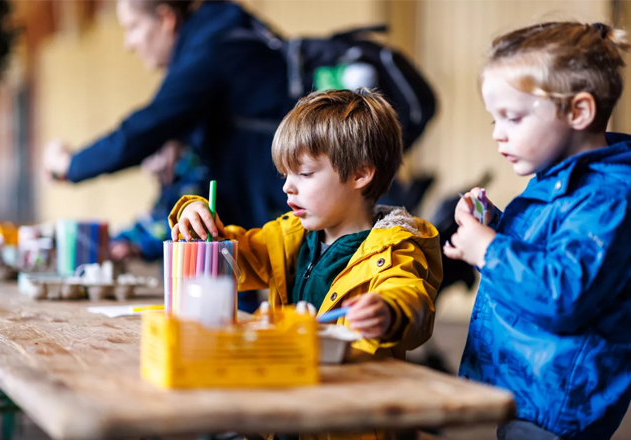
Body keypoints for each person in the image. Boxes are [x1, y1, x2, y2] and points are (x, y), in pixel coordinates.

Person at [444, 22, 631, 440]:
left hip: (557, 407)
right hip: (526, 390)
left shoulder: (609, 198)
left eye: (512, 117)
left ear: (578, 112)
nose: (497, 133)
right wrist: (492, 224)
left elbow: (562, 294)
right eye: (494, 118)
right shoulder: (558, 177)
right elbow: (546, 249)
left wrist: (487, 249)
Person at [170, 89, 442, 359]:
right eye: (285, 174)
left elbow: (413, 300)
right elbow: (227, 257)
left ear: (360, 174)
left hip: (358, 388)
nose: (288, 187)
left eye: (305, 173)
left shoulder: (395, 249)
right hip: (297, 375)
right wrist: (194, 214)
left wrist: (390, 310)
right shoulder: (289, 236)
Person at [43, 0, 295, 232]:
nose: (128, 44)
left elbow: (146, 128)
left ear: (166, 19)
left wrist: (70, 165)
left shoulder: (210, 47)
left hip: (283, 216)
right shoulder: (217, 26)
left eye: (133, 27)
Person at [110, 139, 205, 262]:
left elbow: (176, 233)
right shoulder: (170, 183)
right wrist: (119, 239)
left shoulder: (194, 178)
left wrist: (137, 247)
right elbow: (152, 221)